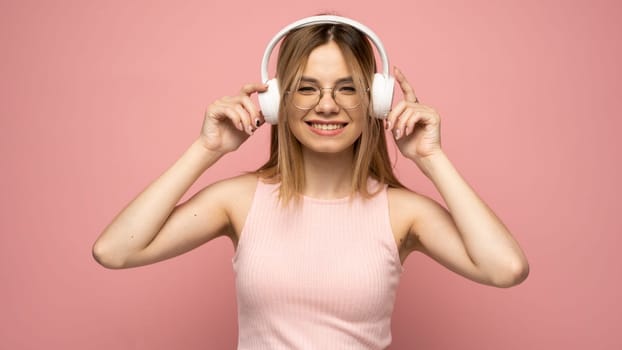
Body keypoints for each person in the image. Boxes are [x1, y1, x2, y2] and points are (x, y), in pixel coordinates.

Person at [92, 15, 529, 349]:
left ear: (375, 101)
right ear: (277, 102)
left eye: (347, 88)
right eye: (306, 89)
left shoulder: (402, 213)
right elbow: (116, 250)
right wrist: (207, 150)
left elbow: (505, 268)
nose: (326, 106)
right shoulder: (240, 201)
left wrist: (431, 159)